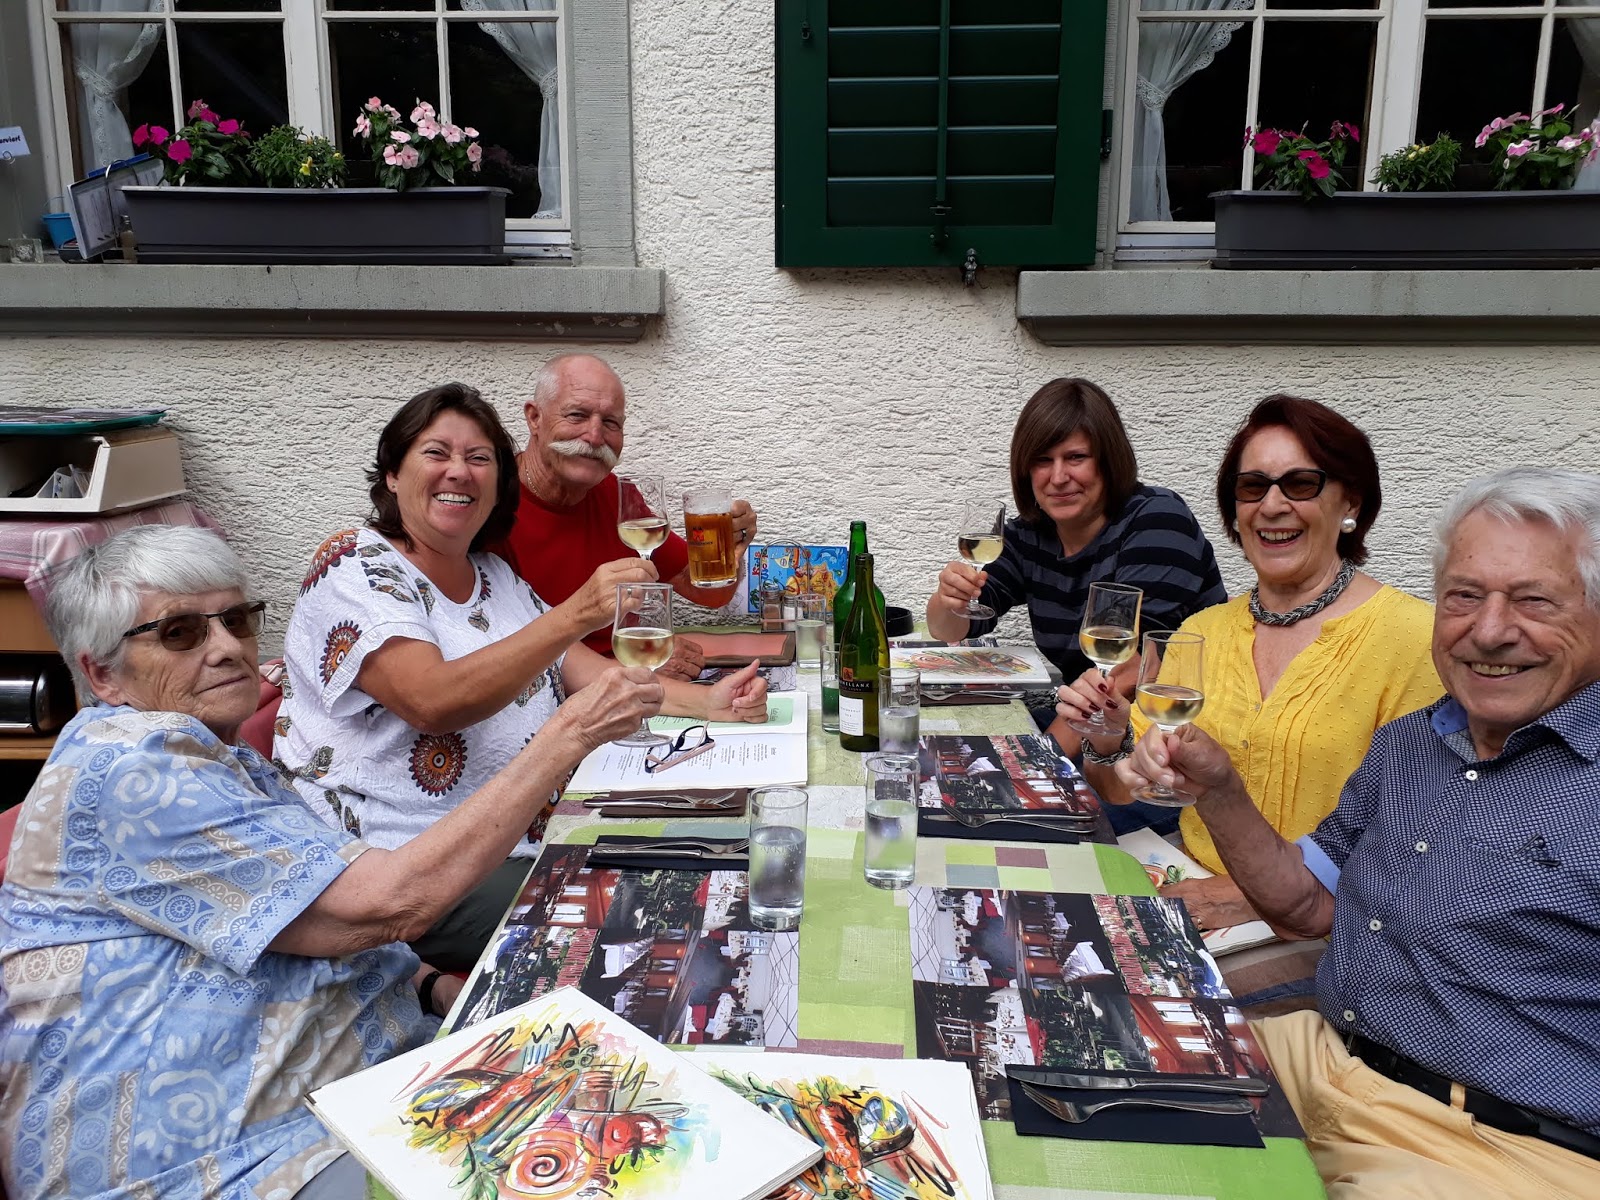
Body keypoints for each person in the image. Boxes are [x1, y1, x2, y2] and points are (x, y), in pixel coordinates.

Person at [0, 525, 660, 1200]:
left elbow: (315, 913)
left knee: (645, 1083)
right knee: (627, 1152)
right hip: (226, 1161)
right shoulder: (133, 764)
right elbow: (386, 904)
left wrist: (433, 988)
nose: (227, 647)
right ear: (102, 674)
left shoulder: (223, 759)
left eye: (235, 620)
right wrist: (570, 733)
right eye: (180, 633)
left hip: (363, 1086)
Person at [1118, 467, 1600, 1199]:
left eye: (1534, 600)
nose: (1490, 629)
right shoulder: (1411, 743)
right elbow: (1307, 905)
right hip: (1325, 1057)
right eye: (1464, 596)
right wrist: (1217, 787)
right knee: (1091, 1050)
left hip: (1492, 1144)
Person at [274, 383, 766, 969]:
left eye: (479, 458)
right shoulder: (354, 564)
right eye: (436, 453)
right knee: (663, 913)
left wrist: (708, 703)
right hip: (417, 863)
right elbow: (432, 700)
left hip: (536, 826)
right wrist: (576, 613)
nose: (459, 472)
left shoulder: (492, 574)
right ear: (392, 475)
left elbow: (578, 667)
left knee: (724, 854)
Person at [1059, 395, 1441, 933]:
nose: (1272, 505)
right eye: (1253, 486)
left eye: (1301, 484)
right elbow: (1123, 788)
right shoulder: (1203, 632)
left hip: (1332, 926)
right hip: (1185, 879)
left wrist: (1244, 896)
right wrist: (1107, 740)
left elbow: (1422, 843)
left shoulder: (1416, 638)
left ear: (1350, 501)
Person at [925, 376, 1226, 760]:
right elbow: (950, 629)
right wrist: (949, 598)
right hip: (1089, 721)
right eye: (1043, 460)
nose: (1058, 477)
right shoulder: (1029, 536)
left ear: (1108, 460)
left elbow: (1128, 670)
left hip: (1168, 736)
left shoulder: (1157, 520)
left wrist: (1039, 763)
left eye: (1076, 457)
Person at [493, 353, 760, 676]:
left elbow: (708, 593)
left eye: (611, 423)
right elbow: (494, 656)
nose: (594, 437)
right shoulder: (491, 506)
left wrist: (730, 549)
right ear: (534, 417)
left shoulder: (617, 496)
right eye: (577, 415)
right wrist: (634, 665)